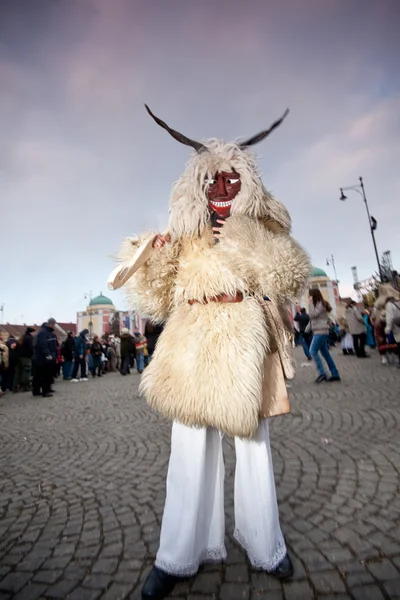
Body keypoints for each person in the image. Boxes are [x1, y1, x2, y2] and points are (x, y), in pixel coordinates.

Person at [112, 105, 311, 600]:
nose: (221, 192)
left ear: (245, 183)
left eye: (231, 181)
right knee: (188, 453)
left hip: (247, 344)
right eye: (212, 183)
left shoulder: (261, 226)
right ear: (197, 188)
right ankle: (177, 556)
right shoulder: (186, 235)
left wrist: (245, 239)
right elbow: (157, 299)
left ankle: (266, 546)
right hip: (193, 344)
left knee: (254, 448)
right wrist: (153, 256)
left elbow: (287, 277)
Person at [307, 289, 340, 383]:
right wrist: (307, 330)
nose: (309, 297)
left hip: (321, 331)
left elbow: (313, 315)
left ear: (314, 295)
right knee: (326, 354)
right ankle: (335, 374)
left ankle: (322, 373)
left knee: (312, 351)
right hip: (318, 330)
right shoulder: (317, 304)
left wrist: (309, 304)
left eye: (310, 295)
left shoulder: (320, 304)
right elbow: (313, 319)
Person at [32, 318, 57, 397]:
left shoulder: (49, 333)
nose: (54, 326)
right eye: (54, 325)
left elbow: (53, 345)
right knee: (44, 375)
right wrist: (48, 355)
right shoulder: (43, 333)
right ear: (51, 324)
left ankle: (43, 390)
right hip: (42, 358)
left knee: (43, 375)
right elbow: (43, 345)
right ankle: (44, 391)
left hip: (47, 357)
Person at [13, 327, 35, 392]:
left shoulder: (21, 338)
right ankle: (25, 386)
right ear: (31, 332)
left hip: (18, 357)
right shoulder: (29, 338)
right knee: (26, 372)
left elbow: (16, 348)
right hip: (26, 357)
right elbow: (30, 348)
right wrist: (31, 355)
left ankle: (15, 387)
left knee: (18, 372)